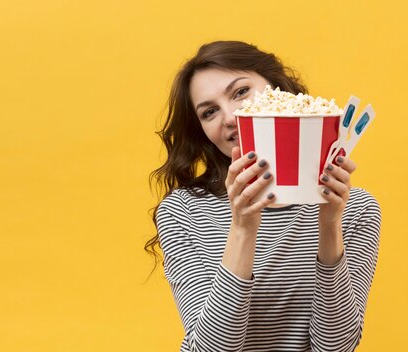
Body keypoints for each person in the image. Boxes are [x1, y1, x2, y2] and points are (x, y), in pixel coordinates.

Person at [145, 41, 381, 352]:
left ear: (279, 92)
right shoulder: (182, 211)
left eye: (240, 92)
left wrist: (329, 224)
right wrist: (243, 226)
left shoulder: (356, 208)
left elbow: (336, 347)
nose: (230, 117)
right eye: (210, 112)